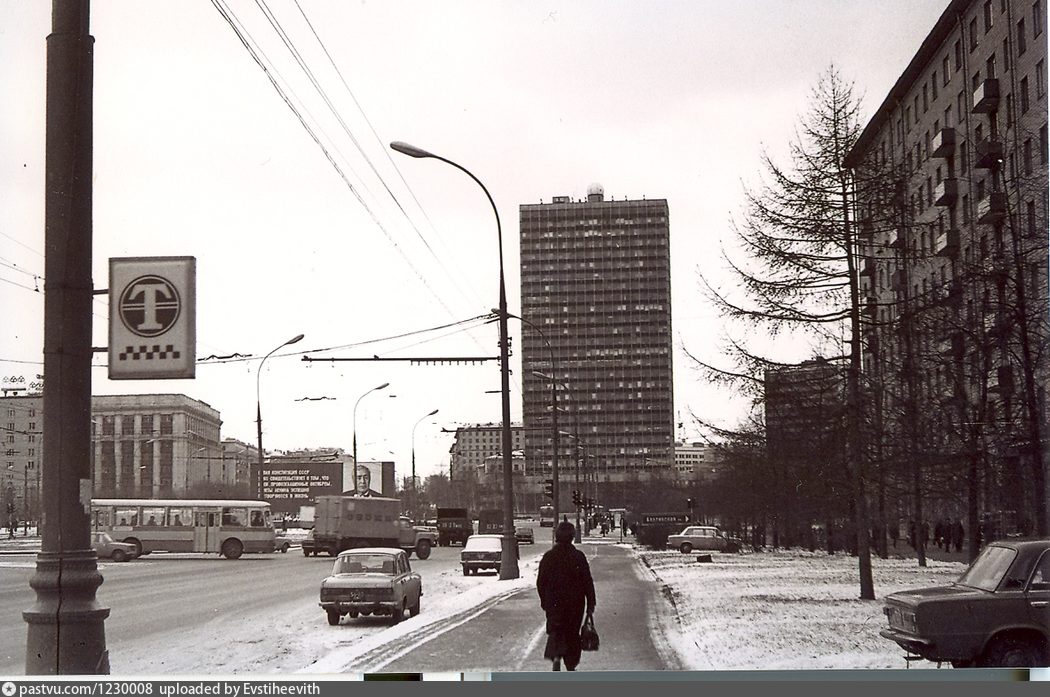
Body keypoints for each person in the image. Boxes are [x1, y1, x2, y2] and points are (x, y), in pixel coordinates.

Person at [536, 519, 596, 672]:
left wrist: (544, 601)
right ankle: (571, 665)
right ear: (572, 536)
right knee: (572, 634)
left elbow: (541, 582)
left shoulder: (549, 557)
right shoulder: (578, 557)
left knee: (556, 630)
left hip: (554, 603)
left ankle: (556, 656)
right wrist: (591, 604)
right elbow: (587, 581)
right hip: (575, 604)